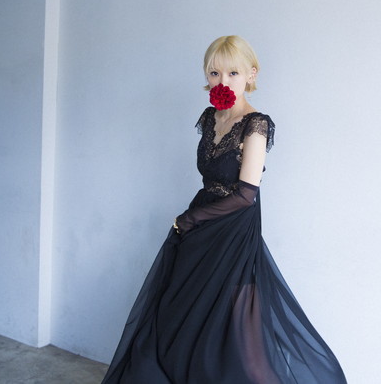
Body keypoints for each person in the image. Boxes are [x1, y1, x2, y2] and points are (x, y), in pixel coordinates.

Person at [102, 35, 347, 384]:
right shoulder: (209, 117)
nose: (223, 81)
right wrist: (192, 221)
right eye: (215, 73)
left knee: (240, 329)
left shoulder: (256, 124)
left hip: (232, 231)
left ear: (251, 74)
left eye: (233, 72)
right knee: (178, 315)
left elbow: (245, 195)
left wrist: (190, 219)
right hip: (199, 228)